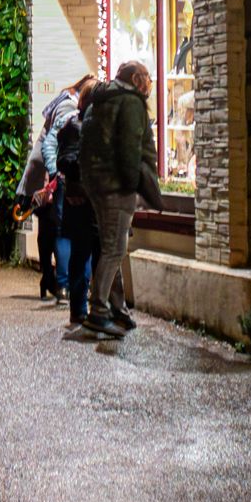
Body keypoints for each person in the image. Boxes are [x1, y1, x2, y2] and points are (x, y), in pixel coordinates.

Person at [79, 60, 162, 339]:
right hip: (116, 187)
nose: (148, 82)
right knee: (115, 249)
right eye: (146, 77)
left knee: (110, 247)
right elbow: (130, 150)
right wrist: (133, 187)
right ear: (135, 79)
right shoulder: (130, 102)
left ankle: (117, 308)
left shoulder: (98, 100)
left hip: (96, 184)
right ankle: (99, 311)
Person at [35, 74, 96, 305]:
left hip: (65, 181)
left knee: (65, 232)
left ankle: (65, 286)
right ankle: (73, 287)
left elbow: (48, 144)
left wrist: (55, 172)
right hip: (73, 183)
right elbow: (51, 145)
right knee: (79, 235)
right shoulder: (76, 117)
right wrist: (56, 173)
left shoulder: (66, 115)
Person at [56, 85, 101, 331]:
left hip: (93, 202)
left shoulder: (96, 129)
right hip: (82, 202)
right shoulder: (75, 128)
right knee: (83, 254)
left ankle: (94, 308)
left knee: (95, 254)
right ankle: (79, 310)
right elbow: (64, 161)